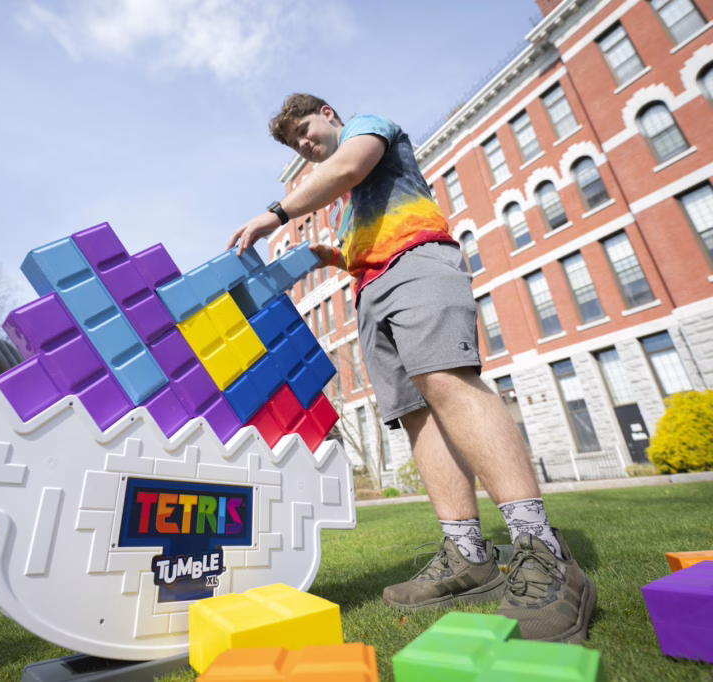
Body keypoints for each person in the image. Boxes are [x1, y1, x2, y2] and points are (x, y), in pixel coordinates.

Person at [227, 93, 596, 644]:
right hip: (371, 291)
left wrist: (275, 214)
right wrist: (332, 256)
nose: (304, 144)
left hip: (417, 264)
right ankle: (468, 556)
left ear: (328, 115)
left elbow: (349, 167)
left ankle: (542, 549)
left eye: (304, 130)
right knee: (416, 414)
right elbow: (362, 238)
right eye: (294, 144)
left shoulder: (367, 128)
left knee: (447, 381)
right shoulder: (347, 206)